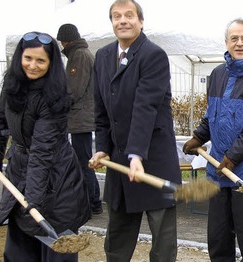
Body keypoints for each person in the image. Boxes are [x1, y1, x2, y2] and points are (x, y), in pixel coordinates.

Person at [0, 31, 90, 261]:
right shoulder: (12, 85)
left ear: (51, 64)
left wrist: (34, 201)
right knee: (19, 249)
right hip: (19, 172)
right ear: (20, 57)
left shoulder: (55, 97)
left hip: (57, 182)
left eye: (41, 60)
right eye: (28, 58)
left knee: (55, 250)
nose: (32, 65)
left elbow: (42, 153)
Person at [181, 17, 243, 262]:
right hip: (219, 169)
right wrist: (199, 136)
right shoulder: (217, 74)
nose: (239, 43)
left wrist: (233, 156)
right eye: (234, 38)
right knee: (218, 239)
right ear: (226, 42)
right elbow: (212, 114)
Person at [88, 0, 181, 261]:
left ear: (141, 21)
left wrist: (136, 155)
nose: (123, 21)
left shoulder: (153, 55)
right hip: (120, 164)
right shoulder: (104, 56)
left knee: (162, 245)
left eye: (129, 15)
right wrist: (102, 148)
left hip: (153, 162)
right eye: (116, 16)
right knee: (117, 240)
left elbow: (146, 107)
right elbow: (101, 111)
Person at [56, 23, 102, 215]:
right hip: (81, 117)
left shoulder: (79, 55)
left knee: (83, 162)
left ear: (67, 40)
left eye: (62, 42)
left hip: (80, 118)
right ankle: (92, 202)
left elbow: (74, 89)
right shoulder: (82, 53)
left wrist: (59, 104)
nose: (61, 46)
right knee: (84, 161)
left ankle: (90, 204)